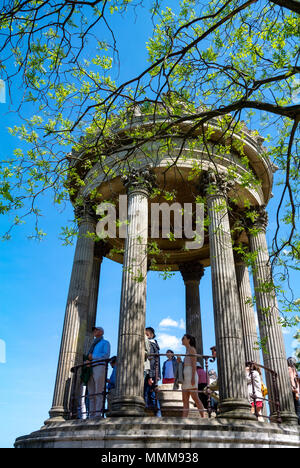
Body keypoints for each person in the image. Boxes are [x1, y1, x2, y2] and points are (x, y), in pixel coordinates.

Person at [87, 326, 110, 418]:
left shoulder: (105, 343)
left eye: (96, 330)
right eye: (94, 330)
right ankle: (91, 414)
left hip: (99, 367)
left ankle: (97, 414)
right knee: (91, 393)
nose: (94, 331)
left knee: (99, 391)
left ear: (101, 332)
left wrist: (93, 357)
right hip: (90, 368)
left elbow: (106, 355)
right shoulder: (93, 344)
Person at [181, 334, 205, 418]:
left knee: (195, 398)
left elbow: (194, 364)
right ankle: (184, 419)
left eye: (183, 338)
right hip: (186, 377)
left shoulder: (192, 349)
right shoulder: (187, 350)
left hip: (191, 375)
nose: (182, 340)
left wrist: (193, 378)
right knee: (185, 399)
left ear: (188, 340)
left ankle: (203, 417)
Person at [144, 327, 161, 410]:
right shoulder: (156, 345)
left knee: (148, 392)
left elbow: (151, 360)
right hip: (154, 372)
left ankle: (152, 411)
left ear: (150, 334)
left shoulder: (150, 344)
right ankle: (156, 411)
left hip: (150, 372)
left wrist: (150, 376)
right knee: (152, 392)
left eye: (146, 333)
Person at [287, 357, 300, 424]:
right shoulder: (292, 369)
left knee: (297, 408)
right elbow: (293, 379)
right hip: (295, 391)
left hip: (295, 390)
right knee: (297, 408)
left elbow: (294, 380)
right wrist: (296, 391)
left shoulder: (292, 369)